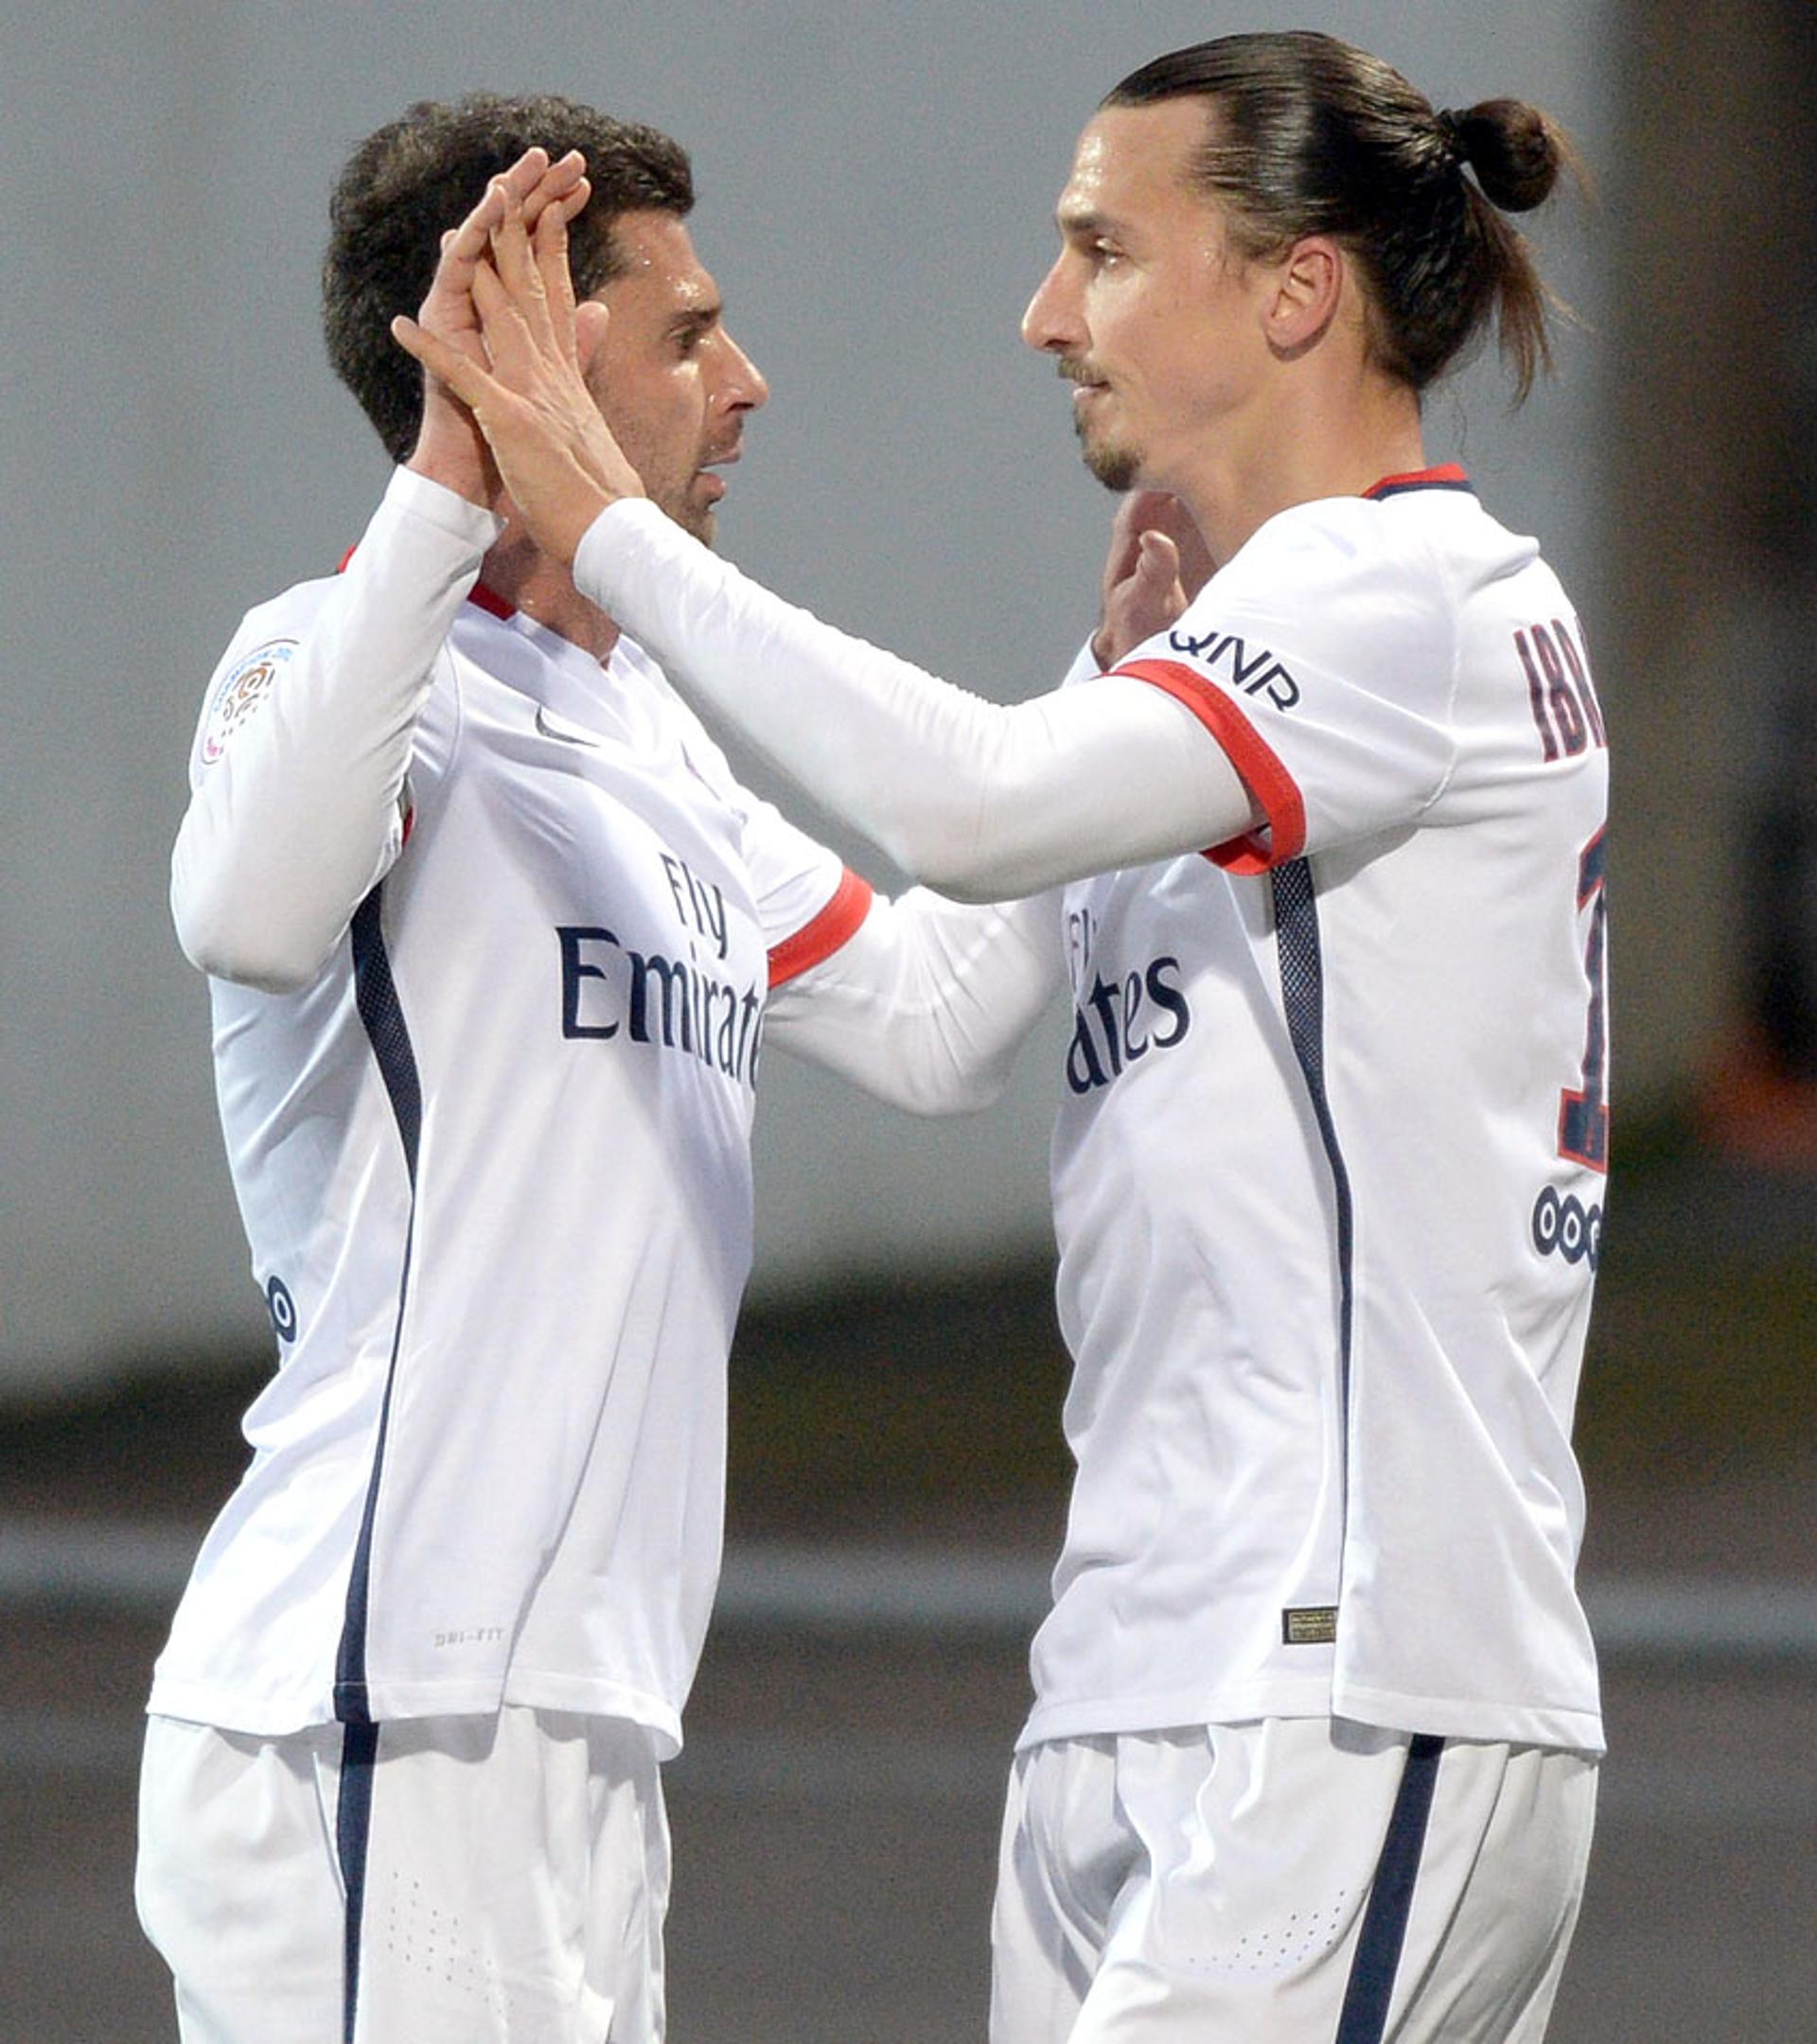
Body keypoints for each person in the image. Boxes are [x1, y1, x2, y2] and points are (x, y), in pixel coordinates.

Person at [398, 29, 1609, 2044]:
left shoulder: (1402, 590)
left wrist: (601, 516)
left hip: (1349, 1669)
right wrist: (578, 759)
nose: (1047, 315)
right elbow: (949, 1010)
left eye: (1104, 251)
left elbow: (968, 801)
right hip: (1143, 1668)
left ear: (1295, 286)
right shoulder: (1228, 651)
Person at [139, 95, 1056, 2044]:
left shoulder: (644, 733)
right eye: (690, 330)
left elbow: (935, 1022)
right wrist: (457, 476)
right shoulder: (328, 658)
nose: (748, 382)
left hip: (581, 1724)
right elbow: (251, 909)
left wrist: (1111, 724)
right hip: (381, 1692)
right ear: (527, 350)